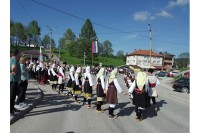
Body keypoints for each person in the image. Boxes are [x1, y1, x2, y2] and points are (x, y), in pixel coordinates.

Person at [10, 49, 21, 115]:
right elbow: (13, 67)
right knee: (12, 95)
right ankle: (10, 110)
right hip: (14, 80)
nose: (19, 55)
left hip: (12, 79)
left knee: (12, 95)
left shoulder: (9, 59)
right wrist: (14, 71)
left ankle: (12, 107)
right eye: (19, 54)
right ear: (16, 54)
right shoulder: (14, 60)